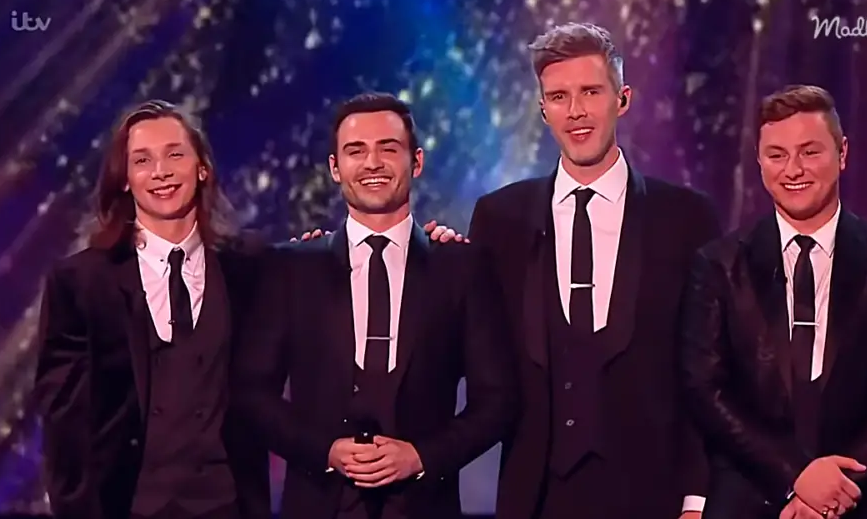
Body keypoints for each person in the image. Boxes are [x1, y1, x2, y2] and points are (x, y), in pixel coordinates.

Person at [466, 23, 720, 519]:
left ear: (622, 100)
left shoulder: (687, 218)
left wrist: (697, 498)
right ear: (543, 110)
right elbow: (469, 342)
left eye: (590, 92)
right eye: (559, 97)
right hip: (534, 497)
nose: (576, 111)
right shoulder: (499, 219)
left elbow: (707, 370)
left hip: (654, 497)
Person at [232, 91, 518, 519]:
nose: (372, 163)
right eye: (356, 151)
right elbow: (251, 391)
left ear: (416, 162)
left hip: (425, 507)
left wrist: (422, 457)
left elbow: (498, 399)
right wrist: (325, 451)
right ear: (335, 167)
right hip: (317, 504)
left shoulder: (462, 267)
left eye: (388, 148)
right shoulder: (292, 268)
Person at [678, 84, 867, 519]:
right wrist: (794, 477)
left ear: (842, 153)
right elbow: (706, 390)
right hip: (752, 502)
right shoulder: (718, 264)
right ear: (759, 161)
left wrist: (835, 487)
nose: (793, 169)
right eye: (777, 154)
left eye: (809, 152)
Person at [33, 100, 269, 519]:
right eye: (142, 160)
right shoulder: (80, 283)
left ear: (202, 168)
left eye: (175, 154)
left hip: (228, 504)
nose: (161, 171)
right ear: (124, 179)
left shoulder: (248, 266)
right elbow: (64, 425)